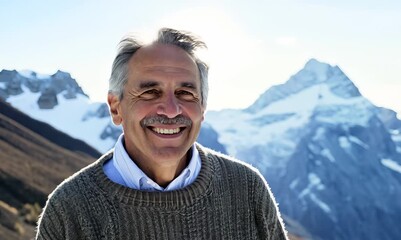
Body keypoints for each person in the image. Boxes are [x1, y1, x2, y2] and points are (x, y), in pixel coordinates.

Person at [36, 28, 288, 239]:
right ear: (116, 108)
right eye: (150, 92)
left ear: (203, 108)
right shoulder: (69, 209)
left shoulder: (247, 188)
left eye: (185, 93)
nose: (170, 110)